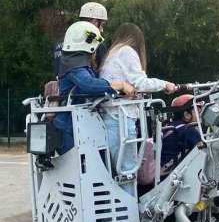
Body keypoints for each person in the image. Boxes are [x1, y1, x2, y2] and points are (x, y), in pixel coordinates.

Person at [35, 21, 134, 171]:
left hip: (74, 125)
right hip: (71, 127)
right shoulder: (75, 67)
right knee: (91, 170)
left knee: (94, 168)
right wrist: (119, 85)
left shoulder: (72, 63)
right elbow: (89, 84)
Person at [99, 23, 178, 193]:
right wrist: (165, 84)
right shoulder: (126, 51)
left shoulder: (110, 55)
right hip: (121, 120)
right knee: (127, 173)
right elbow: (140, 83)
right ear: (136, 40)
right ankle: (130, 209)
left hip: (110, 117)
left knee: (116, 173)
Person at [52, 2, 109, 78]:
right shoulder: (96, 42)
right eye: (102, 25)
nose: (102, 29)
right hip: (88, 83)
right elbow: (104, 71)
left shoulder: (61, 42)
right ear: (95, 22)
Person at [160, 94, 203, 180]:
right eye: (197, 111)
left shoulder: (168, 125)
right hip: (171, 173)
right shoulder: (188, 130)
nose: (200, 115)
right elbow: (203, 150)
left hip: (161, 170)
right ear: (186, 115)